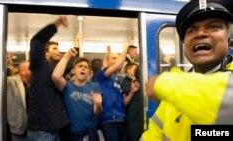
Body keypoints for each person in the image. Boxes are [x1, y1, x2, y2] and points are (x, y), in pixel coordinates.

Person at [140, 0, 233, 140]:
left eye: (213, 26)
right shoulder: (171, 98)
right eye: (192, 30)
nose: (200, 34)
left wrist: (165, 84)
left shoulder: (173, 88)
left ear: (230, 42)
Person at [28, 16, 70, 141]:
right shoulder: (39, 63)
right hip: (41, 130)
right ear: (45, 52)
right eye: (54, 49)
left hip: (53, 128)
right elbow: (36, 41)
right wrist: (57, 24)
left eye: (59, 49)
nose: (59, 52)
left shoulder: (52, 68)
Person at [52, 48, 103, 141]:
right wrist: (67, 57)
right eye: (80, 66)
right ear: (73, 71)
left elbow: (97, 112)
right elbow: (56, 76)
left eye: (86, 67)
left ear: (88, 72)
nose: (83, 68)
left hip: (90, 132)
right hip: (72, 134)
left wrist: (98, 104)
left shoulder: (95, 86)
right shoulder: (67, 86)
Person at [96, 42, 140, 141]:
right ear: (106, 62)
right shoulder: (101, 76)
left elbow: (123, 103)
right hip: (109, 120)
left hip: (122, 119)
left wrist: (132, 92)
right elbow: (117, 66)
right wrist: (125, 49)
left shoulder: (120, 80)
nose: (117, 61)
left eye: (118, 58)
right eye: (114, 58)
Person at [7, 61, 31, 141]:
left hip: (32, 129)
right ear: (22, 71)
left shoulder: (33, 85)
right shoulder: (12, 82)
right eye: (31, 68)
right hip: (18, 128)